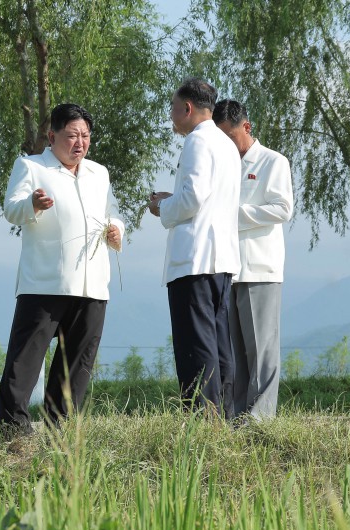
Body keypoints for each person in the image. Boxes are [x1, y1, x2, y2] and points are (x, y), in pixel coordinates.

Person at [0, 103, 125, 437]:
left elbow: (113, 213)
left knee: (78, 363)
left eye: (85, 135)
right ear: (52, 136)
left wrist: (116, 230)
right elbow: (11, 210)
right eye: (72, 136)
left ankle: (61, 427)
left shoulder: (99, 173)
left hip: (92, 283)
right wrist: (33, 205)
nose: (79, 143)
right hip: (45, 280)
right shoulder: (31, 166)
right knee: (26, 359)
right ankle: (12, 428)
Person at [147, 78, 241, 414]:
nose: (172, 117)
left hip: (196, 259)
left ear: (187, 109)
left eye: (173, 109)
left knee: (195, 346)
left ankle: (203, 420)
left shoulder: (197, 142)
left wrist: (162, 208)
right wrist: (177, 201)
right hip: (222, 257)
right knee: (217, 344)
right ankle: (223, 416)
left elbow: (193, 198)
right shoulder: (227, 144)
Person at [213, 99, 293, 420]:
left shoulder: (274, 162)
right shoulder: (223, 167)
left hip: (260, 269)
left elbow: (282, 209)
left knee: (261, 350)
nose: (227, 147)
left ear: (246, 127)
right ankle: (237, 417)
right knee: (235, 354)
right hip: (229, 268)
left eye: (231, 138)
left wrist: (231, 215)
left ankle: (260, 419)